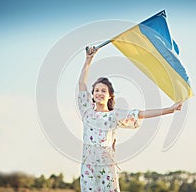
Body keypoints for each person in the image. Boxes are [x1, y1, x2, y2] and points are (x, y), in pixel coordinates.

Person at [78, 46, 182, 191]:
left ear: (110, 96)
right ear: (93, 94)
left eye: (103, 91)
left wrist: (169, 110)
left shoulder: (114, 115)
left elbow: (140, 113)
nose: (99, 93)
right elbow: (82, 84)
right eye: (96, 90)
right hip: (88, 168)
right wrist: (88, 59)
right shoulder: (87, 112)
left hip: (106, 167)